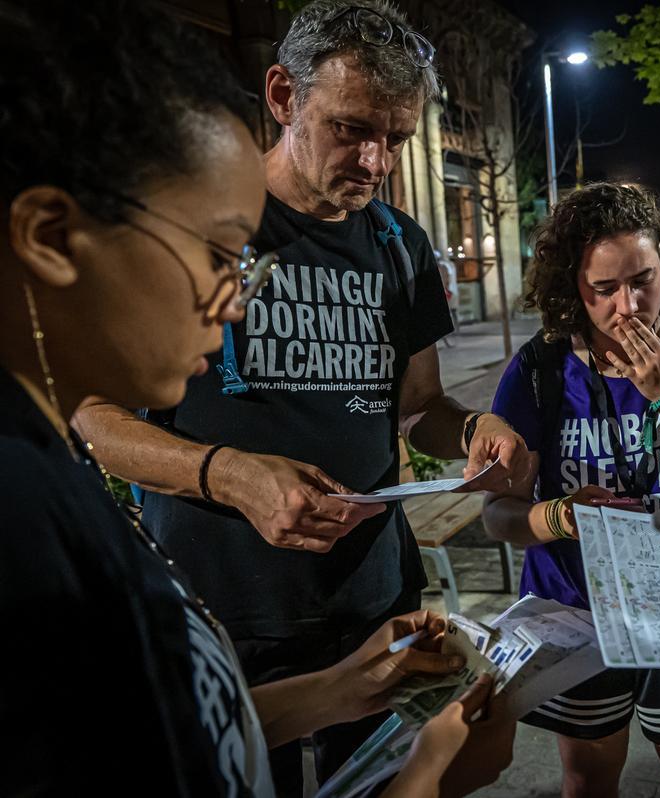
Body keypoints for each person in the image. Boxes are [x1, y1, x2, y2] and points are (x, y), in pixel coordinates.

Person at [0, 1, 513, 795]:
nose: (376, 162)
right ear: (283, 97)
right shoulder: (31, 513)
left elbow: (418, 408)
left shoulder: (398, 245)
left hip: (369, 599)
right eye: (351, 129)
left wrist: (475, 427)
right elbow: (91, 416)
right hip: (228, 604)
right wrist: (229, 473)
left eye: (397, 140)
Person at [482, 183, 660, 798]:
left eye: (644, 280)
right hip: (577, 613)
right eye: (603, 290)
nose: (628, 307)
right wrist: (557, 516)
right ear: (570, 289)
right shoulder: (538, 371)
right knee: (588, 775)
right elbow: (499, 516)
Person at [436, 248, 459, 346]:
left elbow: (446, 280)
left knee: (446, 314)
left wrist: (446, 289)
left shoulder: (443, 267)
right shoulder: (444, 266)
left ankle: (450, 335)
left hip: (446, 292)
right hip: (445, 292)